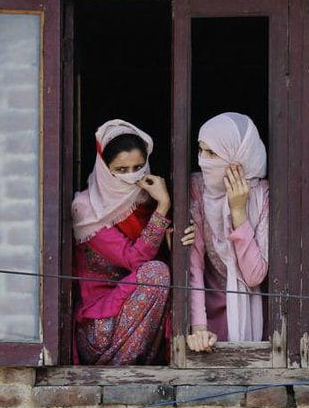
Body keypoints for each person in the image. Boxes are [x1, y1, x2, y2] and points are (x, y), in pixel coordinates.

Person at [72, 119, 172, 365]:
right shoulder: (87, 208)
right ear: (105, 169)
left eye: (138, 167)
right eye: (121, 169)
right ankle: (118, 371)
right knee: (156, 273)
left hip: (143, 329)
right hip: (99, 330)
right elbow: (135, 260)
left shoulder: (146, 201)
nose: (131, 177)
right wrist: (164, 207)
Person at [181, 112, 269, 353]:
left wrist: (239, 211)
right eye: (200, 150)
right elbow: (194, 263)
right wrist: (198, 327)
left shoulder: (262, 196)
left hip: (250, 305)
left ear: (238, 155)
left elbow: (254, 276)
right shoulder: (198, 188)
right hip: (205, 303)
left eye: (212, 153)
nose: (202, 161)